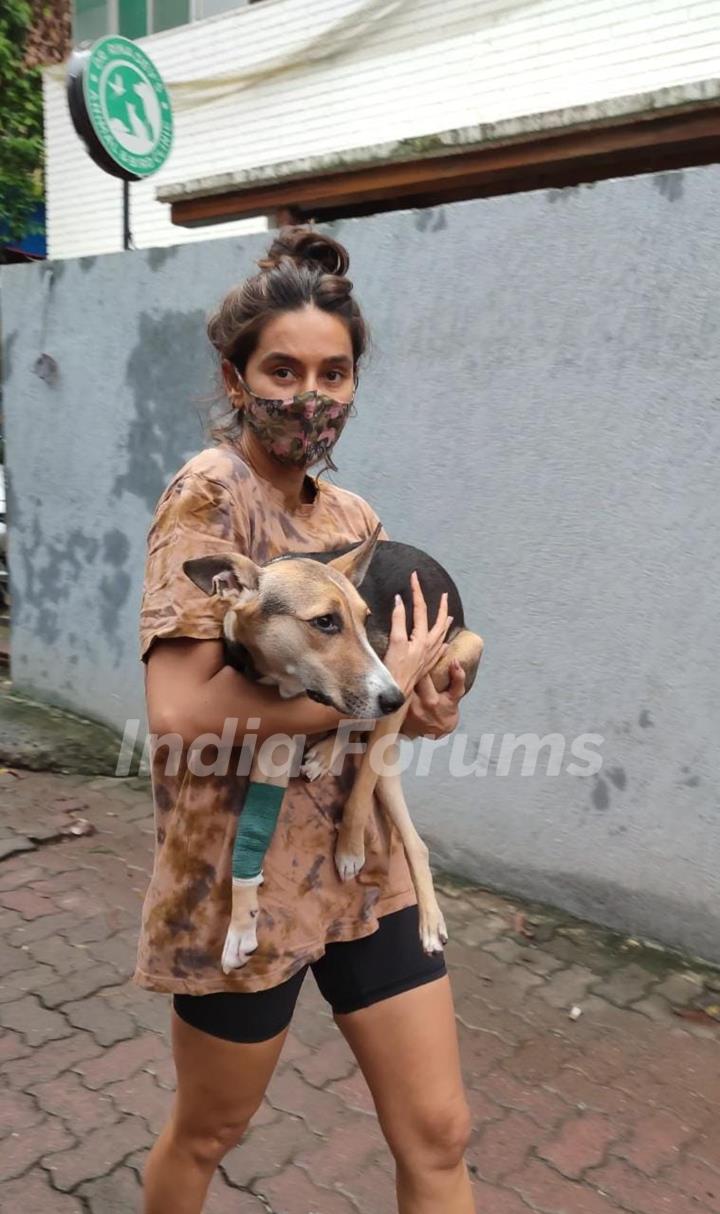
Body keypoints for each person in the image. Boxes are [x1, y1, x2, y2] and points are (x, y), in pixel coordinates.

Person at [136, 227, 475, 1214]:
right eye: (284, 369)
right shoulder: (210, 495)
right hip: (244, 876)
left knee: (440, 1131)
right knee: (208, 1132)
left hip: (362, 862)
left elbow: (374, 700)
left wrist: (416, 701)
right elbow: (178, 710)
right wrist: (357, 694)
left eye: (335, 371)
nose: (311, 394)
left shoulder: (354, 519)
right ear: (236, 378)